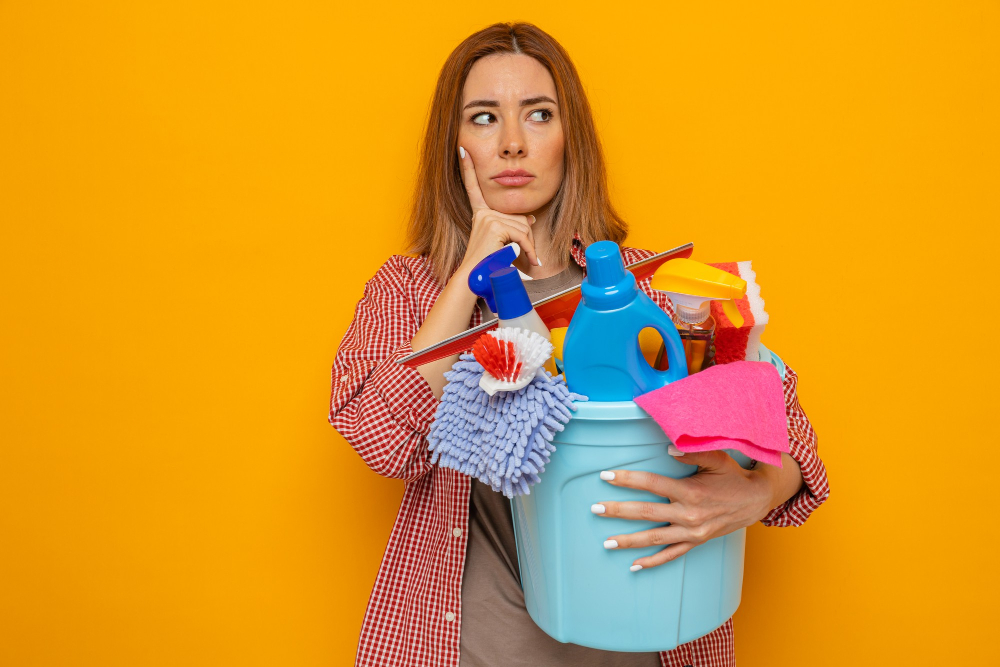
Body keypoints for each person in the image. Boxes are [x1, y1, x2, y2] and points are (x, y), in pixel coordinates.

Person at [329, 22, 829, 667]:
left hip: (646, 640)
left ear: (572, 140)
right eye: (484, 118)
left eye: (539, 115)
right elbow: (380, 441)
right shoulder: (410, 290)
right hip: (475, 646)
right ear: (454, 148)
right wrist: (466, 280)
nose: (512, 144)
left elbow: (791, 440)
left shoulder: (654, 288)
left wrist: (759, 492)